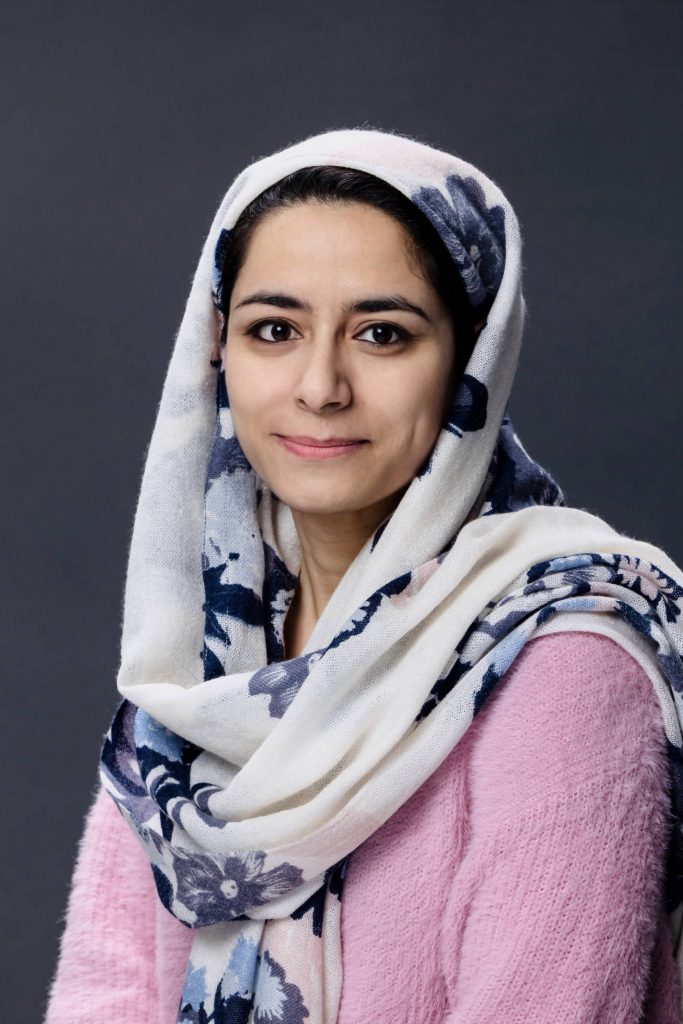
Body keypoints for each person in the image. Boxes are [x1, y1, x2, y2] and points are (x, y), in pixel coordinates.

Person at [44, 127, 683, 1023]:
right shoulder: (200, 654)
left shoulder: (564, 657)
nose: (319, 385)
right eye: (274, 330)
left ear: (472, 359)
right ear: (216, 350)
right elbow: (101, 993)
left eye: (382, 334)